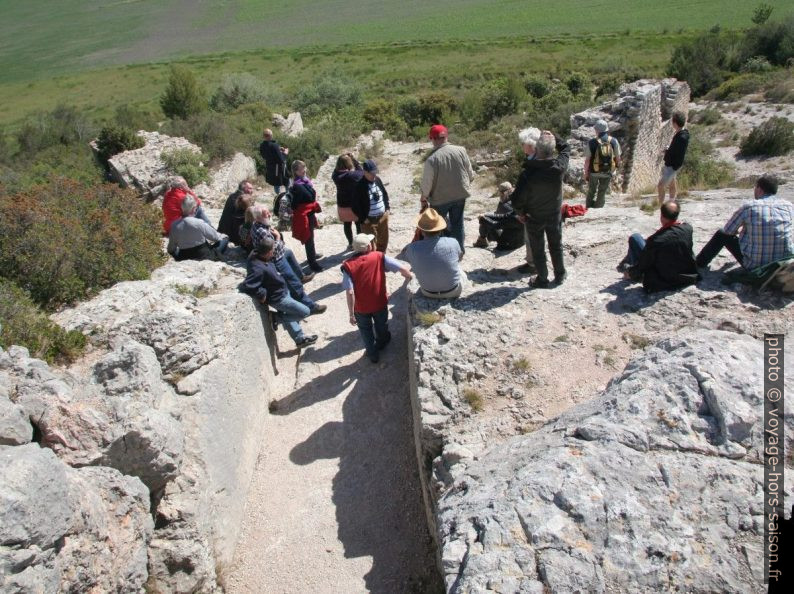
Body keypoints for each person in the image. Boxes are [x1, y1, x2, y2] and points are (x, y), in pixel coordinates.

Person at [695, 175, 794, 271]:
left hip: (755, 265)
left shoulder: (749, 207)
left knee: (721, 234)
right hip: (784, 262)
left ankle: (698, 263)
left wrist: (743, 229)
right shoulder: (789, 206)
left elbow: (728, 231)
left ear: (759, 189)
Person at [511, 131, 570, 288]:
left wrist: (521, 213)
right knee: (556, 245)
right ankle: (560, 274)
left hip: (534, 216)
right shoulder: (559, 167)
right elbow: (565, 149)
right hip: (554, 214)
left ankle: (542, 279)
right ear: (552, 150)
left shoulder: (528, 174)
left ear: (536, 150)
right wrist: (554, 136)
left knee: (538, 248)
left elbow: (516, 200)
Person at [342, 233, 412, 363]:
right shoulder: (379, 257)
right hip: (379, 302)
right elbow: (401, 268)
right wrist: (410, 277)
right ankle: (383, 341)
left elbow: (350, 291)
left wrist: (351, 314)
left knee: (365, 330)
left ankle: (372, 354)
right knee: (381, 324)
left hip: (361, 308)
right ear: (369, 246)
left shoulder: (348, 265)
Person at [239, 237, 318, 348]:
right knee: (304, 312)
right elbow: (248, 285)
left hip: (282, 290)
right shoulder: (257, 267)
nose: (274, 252)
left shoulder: (258, 254)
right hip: (279, 298)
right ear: (268, 252)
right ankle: (276, 318)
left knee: (288, 314)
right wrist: (262, 294)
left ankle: (300, 339)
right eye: (272, 250)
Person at [250, 205, 322, 310]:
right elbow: (272, 251)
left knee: (289, 252)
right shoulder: (262, 232)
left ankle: (301, 277)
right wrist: (278, 237)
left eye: (268, 212)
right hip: (276, 260)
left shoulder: (258, 224)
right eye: (266, 214)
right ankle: (311, 306)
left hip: (279, 254)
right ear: (258, 217)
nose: (269, 214)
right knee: (294, 284)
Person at [617, 201, 699, 293]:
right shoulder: (688, 228)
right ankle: (627, 261)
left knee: (635, 238)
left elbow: (643, 263)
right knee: (645, 242)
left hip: (662, 280)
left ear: (662, 216)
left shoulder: (656, 240)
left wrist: (630, 272)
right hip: (687, 276)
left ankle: (630, 266)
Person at [419, 124, 475, 252]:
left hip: (440, 199)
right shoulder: (461, 150)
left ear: (433, 138)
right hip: (460, 195)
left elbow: (427, 182)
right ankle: (459, 250)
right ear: (446, 136)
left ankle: (442, 251)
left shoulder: (432, 159)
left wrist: (424, 197)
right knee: (458, 224)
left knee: (438, 226)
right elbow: (470, 173)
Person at [405, 208, 464, 299]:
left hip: (428, 292)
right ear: (440, 229)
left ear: (421, 230)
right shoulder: (453, 242)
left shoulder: (412, 248)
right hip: (453, 291)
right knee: (460, 271)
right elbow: (459, 259)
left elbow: (412, 262)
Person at [167, 194, 229, 261]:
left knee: (176, 251)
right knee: (225, 239)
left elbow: (171, 249)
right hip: (202, 255)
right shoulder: (199, 222)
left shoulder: (174, 225)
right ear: (193, 209)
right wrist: (223, 236)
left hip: (184, 256)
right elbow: (215, 237)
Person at [514, 127, 541, 272]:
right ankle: (538, 262)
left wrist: (520, 212)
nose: (522, 146)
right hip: (547, 207)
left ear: (529, 145)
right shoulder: (547, 159)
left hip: (532, 209)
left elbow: (523, 193)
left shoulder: (531, 165)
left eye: (523, 143)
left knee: (530, 238)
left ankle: (533, 265)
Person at [289, 160, 323, 272]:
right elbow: (309, 196)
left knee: (311, 237)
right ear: (296, 171)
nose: (304, 170)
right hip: (305, 216)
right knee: (308, 238)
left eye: (304, 168)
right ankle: (312, 263)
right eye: (302, 169)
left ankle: (312, 255)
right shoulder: (297, 186)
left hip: (309, 213)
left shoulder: (305, 181)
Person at [352, 159, 390, 253]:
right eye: (372, 173)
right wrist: (363, 218)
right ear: (365, 172)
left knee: (383, 241)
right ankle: (373, 263)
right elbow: (355, 206)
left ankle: (382, 258)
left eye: (375, 172)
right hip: (368, 220)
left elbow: (384, 194)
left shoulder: (377, 180)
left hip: (382, 217)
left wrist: (387, 209)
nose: (374, 175)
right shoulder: (359, 186)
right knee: (370, 245)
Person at [473, 181, 524, 250]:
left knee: (485, 223)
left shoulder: (505, 206)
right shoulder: (518, 210)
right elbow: (504, 216)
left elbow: (497, 224)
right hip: (520, 240)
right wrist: (486, 215)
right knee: (487, 218)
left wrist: (484, 219)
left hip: (508, 244)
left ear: (503, 193)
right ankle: (482, 239)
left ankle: (482, 240)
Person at [583, 119, 621, 209]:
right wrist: (616, 168)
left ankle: (588, 207)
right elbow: (618, 157)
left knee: (591, 190)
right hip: (607, 171)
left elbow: (587, 160)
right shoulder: (613, 141)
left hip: (594, 171)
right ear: (606, 130)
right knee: (602, 191)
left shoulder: (591, 142)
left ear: (597, 130)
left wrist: (585, 173)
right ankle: (598, 207)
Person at [332, 153, 364, 249]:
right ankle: (359, 244)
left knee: (347, 224)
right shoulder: (352, 175)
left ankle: (350, 243)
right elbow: (361, 172)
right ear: (349, 163)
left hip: (342, 204)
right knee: (358, 224)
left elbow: (335, 170)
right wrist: (354, 160)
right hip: (354, 204)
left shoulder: (335, 176)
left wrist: (342, 159)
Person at [657, 111, 690, 205]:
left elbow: (677, 153)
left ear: (675, 123)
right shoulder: (683, 134)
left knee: (660, 186)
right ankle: (672, 201)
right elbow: (675, 149)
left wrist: (667, 151)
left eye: (672, 122)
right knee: (672, 182)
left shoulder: (681, 137)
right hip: (673, 165)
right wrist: (669, 149)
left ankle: (660, 205)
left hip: (672, 165)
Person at [217, 180, 255, 245]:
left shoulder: (231, 196)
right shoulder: (243, 200)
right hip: (234, 236)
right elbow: (247, 220)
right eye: (250, 188)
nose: (252, 191)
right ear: (244, 188)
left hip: (223, 230)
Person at [259, 129, 290, 194]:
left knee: (276, 183)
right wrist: (285, 153)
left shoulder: (262, 145)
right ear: (271, 135)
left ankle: (277, 196)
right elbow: (281, 159)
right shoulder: (274, 146)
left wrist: (278, 149)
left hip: (270, 166)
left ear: (264, 136)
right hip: (278, 167)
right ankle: (288, 194)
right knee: (286, 180)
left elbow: (265, 155)